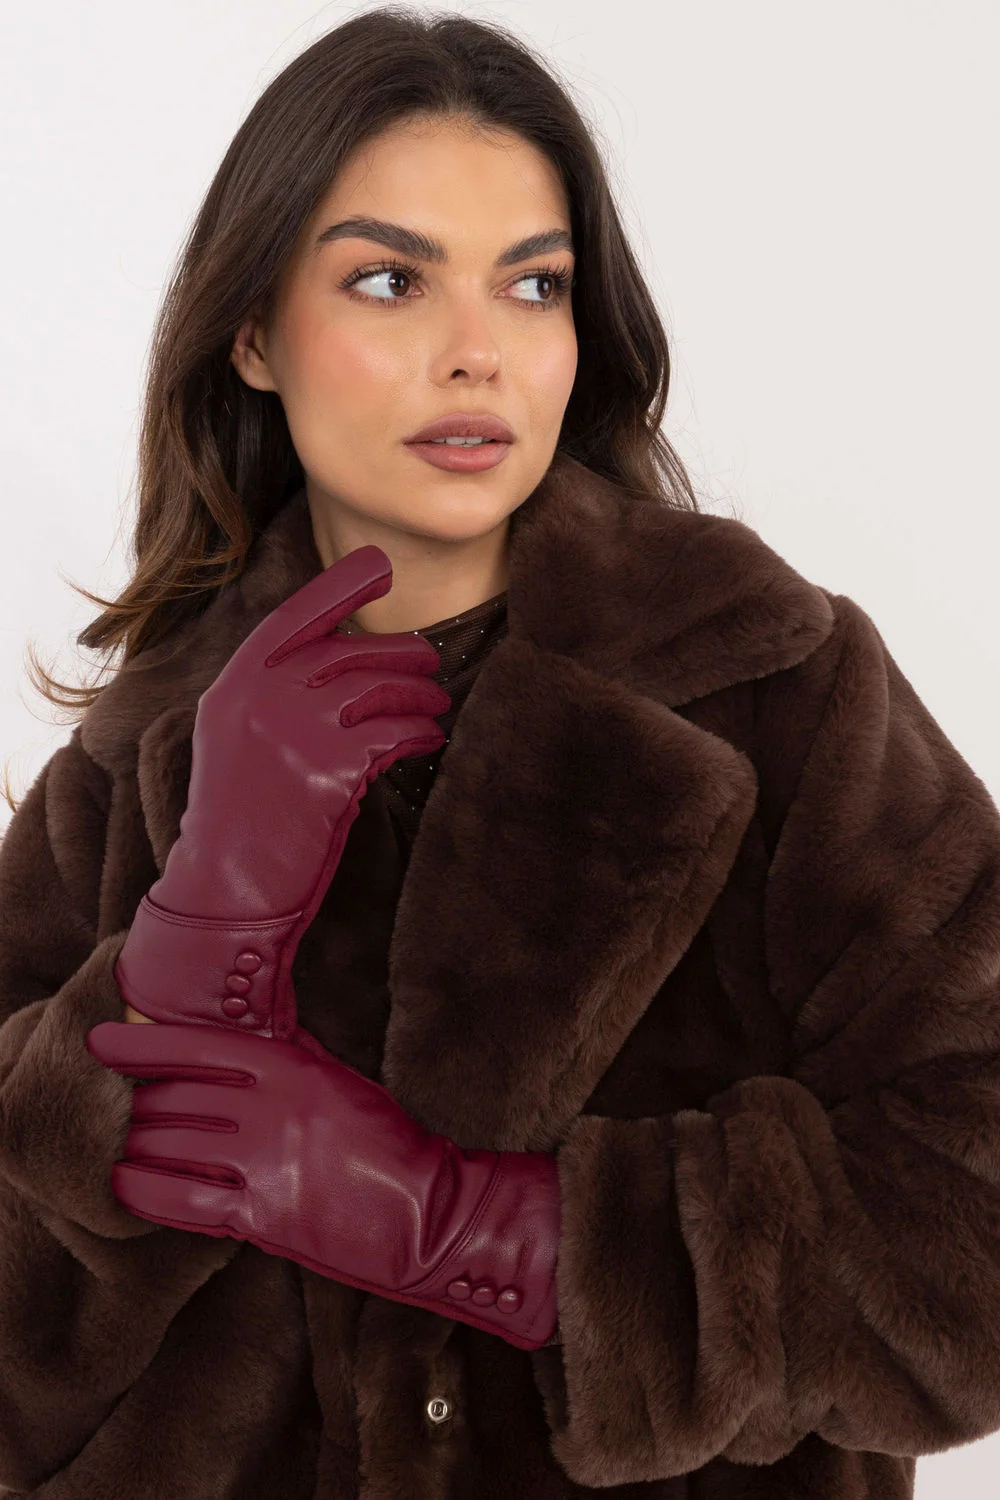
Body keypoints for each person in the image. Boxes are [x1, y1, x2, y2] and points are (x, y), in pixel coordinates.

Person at [2, 10, 1000, 1500]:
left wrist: (466, 1228)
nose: (478, 352)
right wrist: (205, 922)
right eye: (390, 280)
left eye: (534, 285)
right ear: (254, 334)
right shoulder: (140, 747)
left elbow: (971, 1223)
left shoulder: (769, 680)